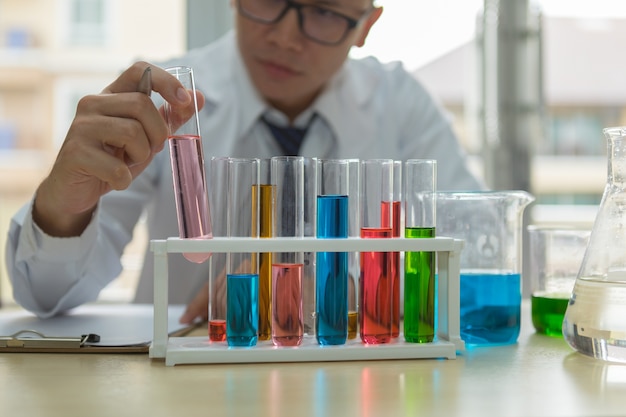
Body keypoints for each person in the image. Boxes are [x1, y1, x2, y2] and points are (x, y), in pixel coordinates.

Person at [5, 0, 484, 323]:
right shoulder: (163, 100)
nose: (286, 38)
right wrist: (63, 207)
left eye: (322, 12)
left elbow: (483, 264)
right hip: (180, 384)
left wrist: (350, 294)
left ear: (366, 26)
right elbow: (46, 296)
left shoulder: (402, 107)